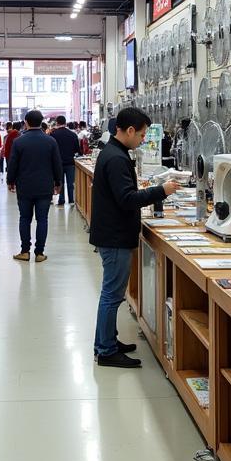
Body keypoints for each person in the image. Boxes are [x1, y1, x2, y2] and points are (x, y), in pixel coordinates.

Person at [89, 106, 179, 368]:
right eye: (141, 135)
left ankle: (107, 340)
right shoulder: (116, 158)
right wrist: (160, 190)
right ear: (129, 131)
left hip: (113, 233)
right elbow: (127, 199)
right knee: (112, 295)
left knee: (111, 293)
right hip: (115, 236)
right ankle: (105, 350)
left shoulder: (115, 153)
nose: (143, 140)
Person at [6, 109, 61, 263]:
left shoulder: (19, 141)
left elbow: (13, 164)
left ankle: (24, 251)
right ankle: (39, 253)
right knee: (42, 219)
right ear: (41, 121)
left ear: (26, 122)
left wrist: (10, 181)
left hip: (25, 186)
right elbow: (57, 164)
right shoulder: (50, 141)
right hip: (44, 186)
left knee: (25, 218)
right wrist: (58, 182)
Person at [51, 115, 81, 207]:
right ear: (65, 122)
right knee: (70, 183)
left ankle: (61, 199)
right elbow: (77, 150)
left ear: (57, 122)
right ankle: (71, 199)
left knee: (60, 182)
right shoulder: (73, 134)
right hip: (70, 162)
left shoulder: (53, 135)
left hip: (58, 163)